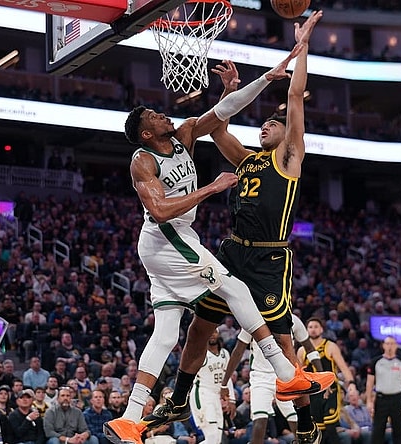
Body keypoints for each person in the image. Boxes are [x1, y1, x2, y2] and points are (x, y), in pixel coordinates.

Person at [103, 28, 332, 444]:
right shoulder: (150, 159)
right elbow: (159, 207)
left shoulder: (276, 155)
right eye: (155, 117)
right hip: (173, 237)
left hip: (263, 255)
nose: (162, 114)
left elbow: (221, 114)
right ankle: (284, 377)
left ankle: (132, 416)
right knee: (230, 292)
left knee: (171, 331)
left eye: (270, 123)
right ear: (147, 135)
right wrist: (211, 186)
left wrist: (265, 76)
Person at [165, 11, 327, 444]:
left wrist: (302, 46)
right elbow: (213, 127)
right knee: (200, 325)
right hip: (234, 251)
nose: (267, 124)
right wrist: (229, 92)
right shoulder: (247, 158)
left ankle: (307, 422)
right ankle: (180, 396)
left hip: (269, 258)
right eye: (265, 122)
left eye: (271, 124)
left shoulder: (288, 158)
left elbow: (294, 98)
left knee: (282, 343)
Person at [222, 314, 322, 444]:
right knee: (259, 422)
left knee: (297, 422)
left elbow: (310, 349)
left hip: (285, 376)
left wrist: (321, 374)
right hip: (260, 377)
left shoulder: (294, 320)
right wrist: (224, 383)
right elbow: (238, 352)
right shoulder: (252, 318)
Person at [298, 318, 357, 444]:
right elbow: (299, 374)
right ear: (306, 330)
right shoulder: (302, 350)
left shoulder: (330, 346)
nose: (313, 329)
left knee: (330, 427)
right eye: (310, 327)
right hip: (312, 393)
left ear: (321, 329)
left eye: (316, 326)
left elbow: (343, 367)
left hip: (330, 391)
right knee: (316, 429)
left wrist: (351, 383)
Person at [365, 336, 401, 444]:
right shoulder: (376, 361)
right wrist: (369, 401)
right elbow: (369, 382)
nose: (390, 346)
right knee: (377, 431)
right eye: (387, 343)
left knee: (399, 431)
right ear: (383, 346)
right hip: (381, 398)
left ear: (396, 346)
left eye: (392, 343)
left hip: (397, 398)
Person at [188, 331, 232, 444]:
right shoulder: (200, 353)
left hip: (216, 397)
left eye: (215, 331)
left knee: (217, 439)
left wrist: (231, 400)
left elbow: (228, 377)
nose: (212, 334)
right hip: (203, 395)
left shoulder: (225, 354)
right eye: (210, 331)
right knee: (212, 437)